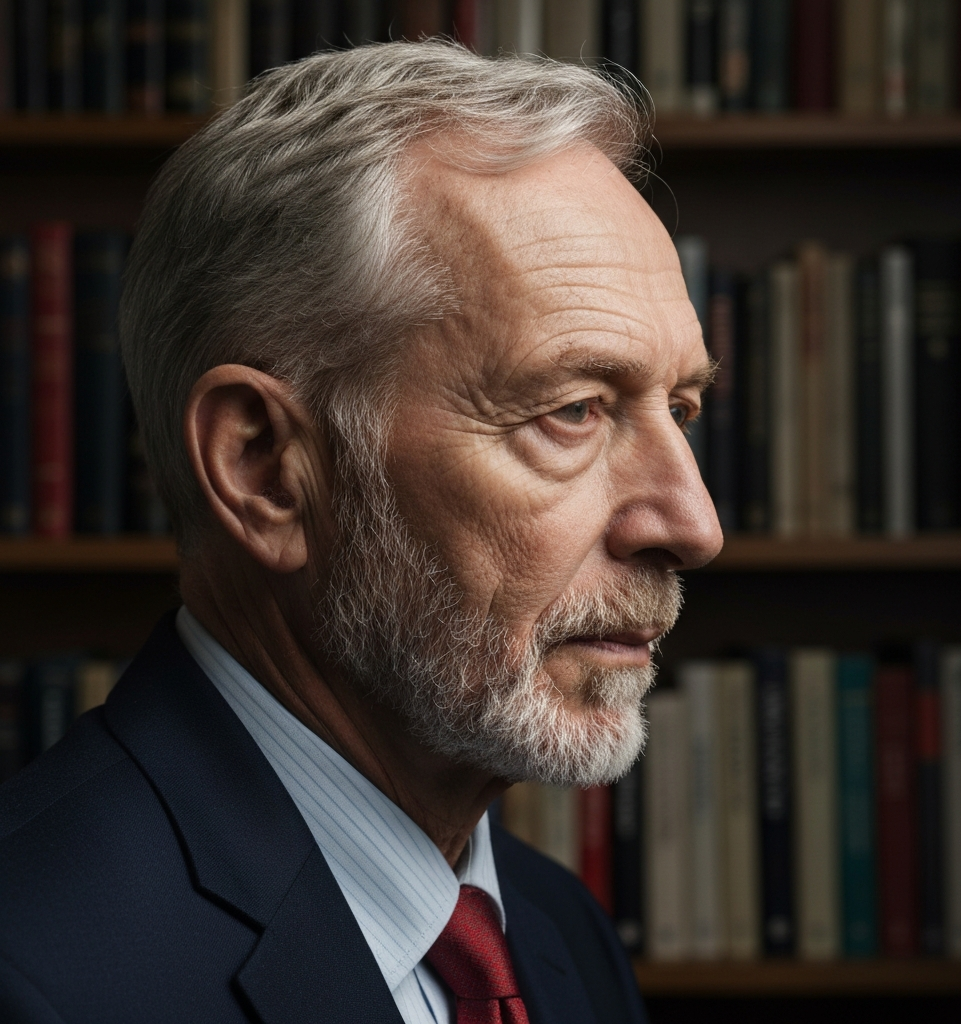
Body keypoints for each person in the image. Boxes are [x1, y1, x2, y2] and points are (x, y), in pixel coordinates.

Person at [0, 41, 721, 1024]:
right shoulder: (31, 969)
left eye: (678, 409)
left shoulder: (559, 937)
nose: (692, 523)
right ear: (265, 469)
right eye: (571, 411)